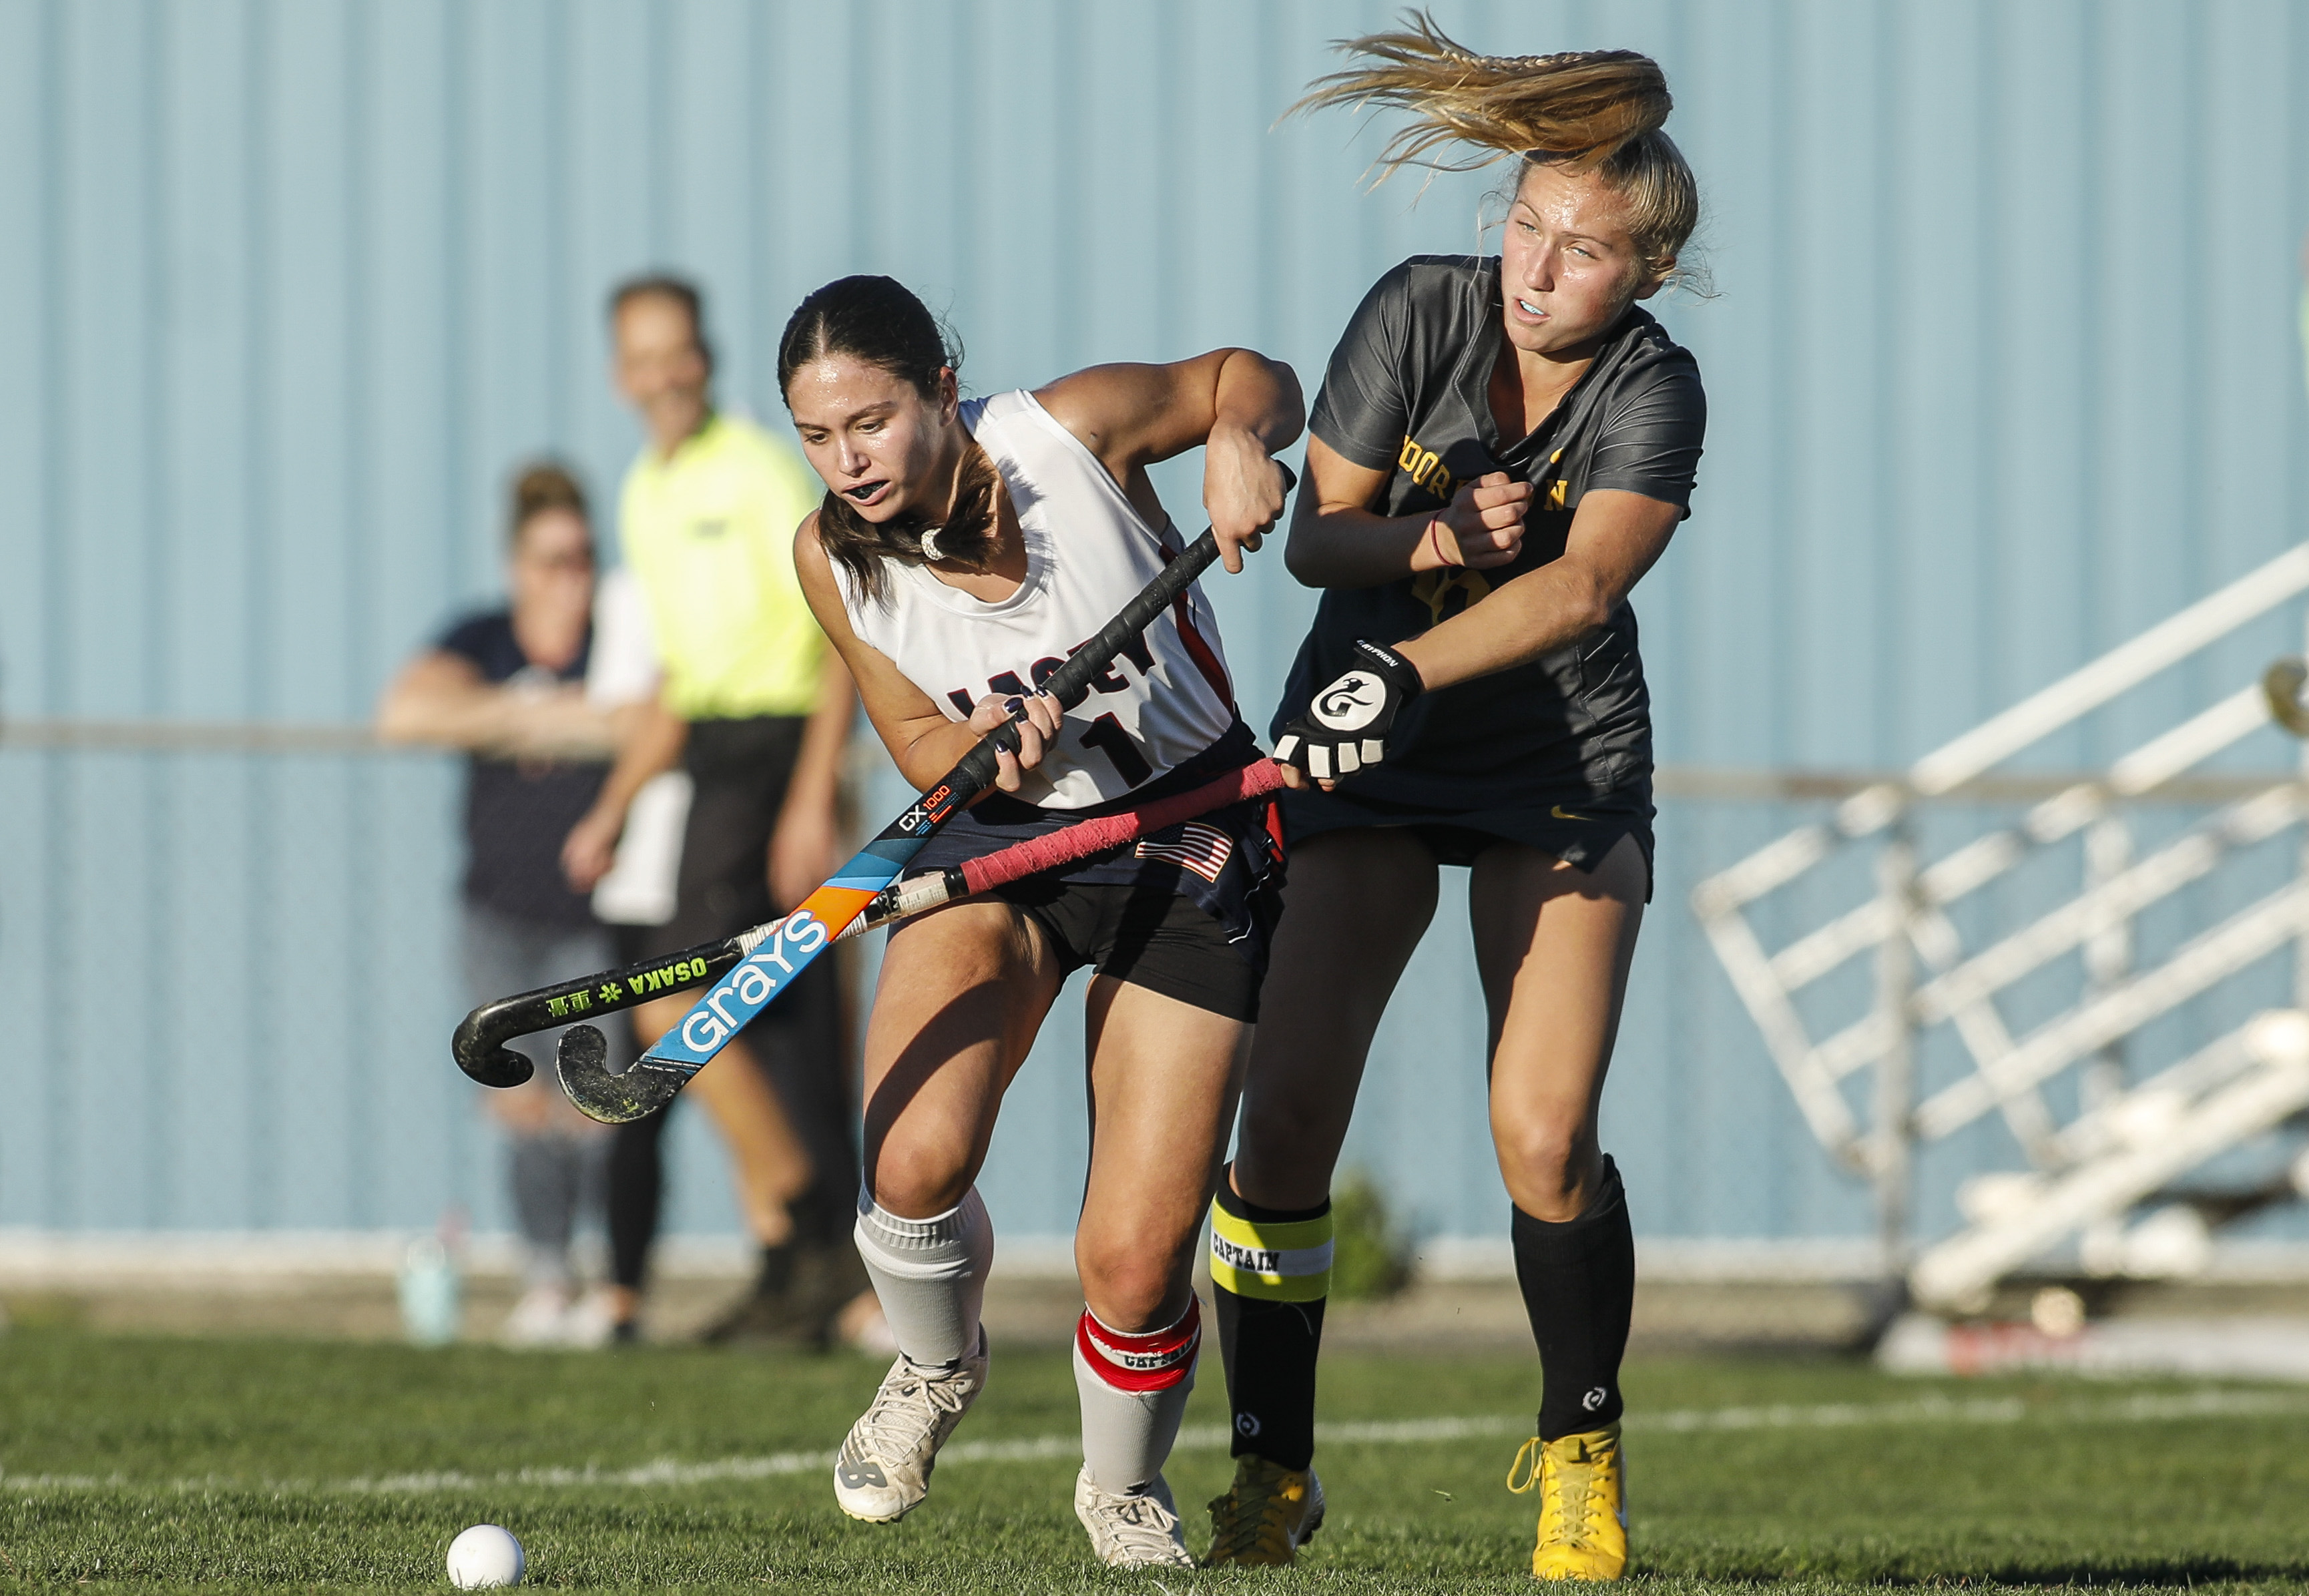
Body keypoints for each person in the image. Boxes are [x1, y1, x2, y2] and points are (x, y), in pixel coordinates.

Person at [1202, 21, 1706, 1581]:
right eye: (1526, 226)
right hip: (1364, 752)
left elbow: (1584, 583)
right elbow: (1317, 539)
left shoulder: (1653, 388)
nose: (1536, 270)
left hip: (1553, 760)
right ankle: (1270, 1472)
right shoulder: (1417, 307)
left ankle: (1578, 1453)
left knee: (1541, 1135)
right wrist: (1430, 545)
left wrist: (1409, 668)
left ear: (1643, 272)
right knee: (1284, 1119)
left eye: (1583, 250)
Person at [778, 275, 1299, 1567]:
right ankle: (933, 1364)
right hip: (1007, 842)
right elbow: (913, 734)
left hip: (1188, 831)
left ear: (942, 392)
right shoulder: (831, 559)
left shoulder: (1071, 433)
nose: (848, 462)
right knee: (911, 1160)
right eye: (818, 436)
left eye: (872, 423)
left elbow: (1247, 378)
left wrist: (1240, 440)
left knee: (1132, 1261)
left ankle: (1122, 1489)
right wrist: (976, 749)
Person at [561, 274, 864, 1346]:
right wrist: (612, 807)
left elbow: (842, 637)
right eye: (641, 357)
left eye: (676, 352)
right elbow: (680, 688)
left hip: (781, 753)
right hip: (712, 764)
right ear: (621, 374)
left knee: (671, 1007)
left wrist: (811, 798)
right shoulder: (644, 492)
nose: (663, 375)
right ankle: (794, 1259)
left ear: (704, 357)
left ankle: (817, 1233)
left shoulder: (758, 471)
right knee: (744, 1018)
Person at [378, 461, 625, 1348]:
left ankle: (610, 1279)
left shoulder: (617, 639)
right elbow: (408, 712)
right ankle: (546, 1280)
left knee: (593, 1104)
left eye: (584, 558)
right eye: (552, 561)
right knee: (519, 1106)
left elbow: (645, 719)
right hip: (497, 915)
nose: (571, 579)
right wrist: (541, 715)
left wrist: (544, 719)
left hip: (592, 917)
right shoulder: (481, 636)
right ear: (518, 566)